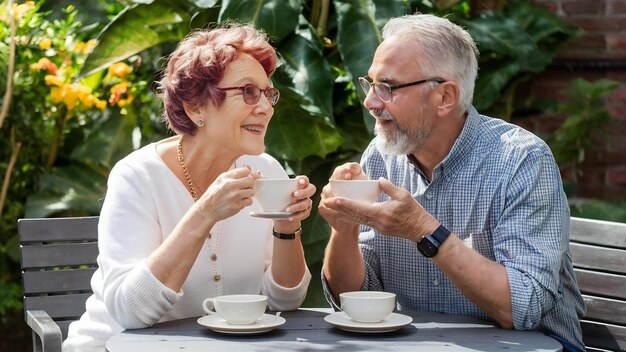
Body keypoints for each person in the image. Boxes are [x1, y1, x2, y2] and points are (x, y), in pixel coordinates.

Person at [318, 14, 586, 352]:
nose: (370, 102)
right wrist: (344, 230)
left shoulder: (521, 160)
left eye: (387, 87)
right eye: (369, 84)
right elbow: (353, 298)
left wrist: (423, 229)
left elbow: (524, 308)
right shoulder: (380, 157)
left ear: (445, 97)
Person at [63, 24, 314, 352]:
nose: (266, 107)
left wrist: (287, 228)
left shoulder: (266, 171)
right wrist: (205, 213)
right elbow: (130, 312)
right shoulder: (137, 176)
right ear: (196, 106)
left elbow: (285, 300)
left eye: (268, 94)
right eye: (248, 92)